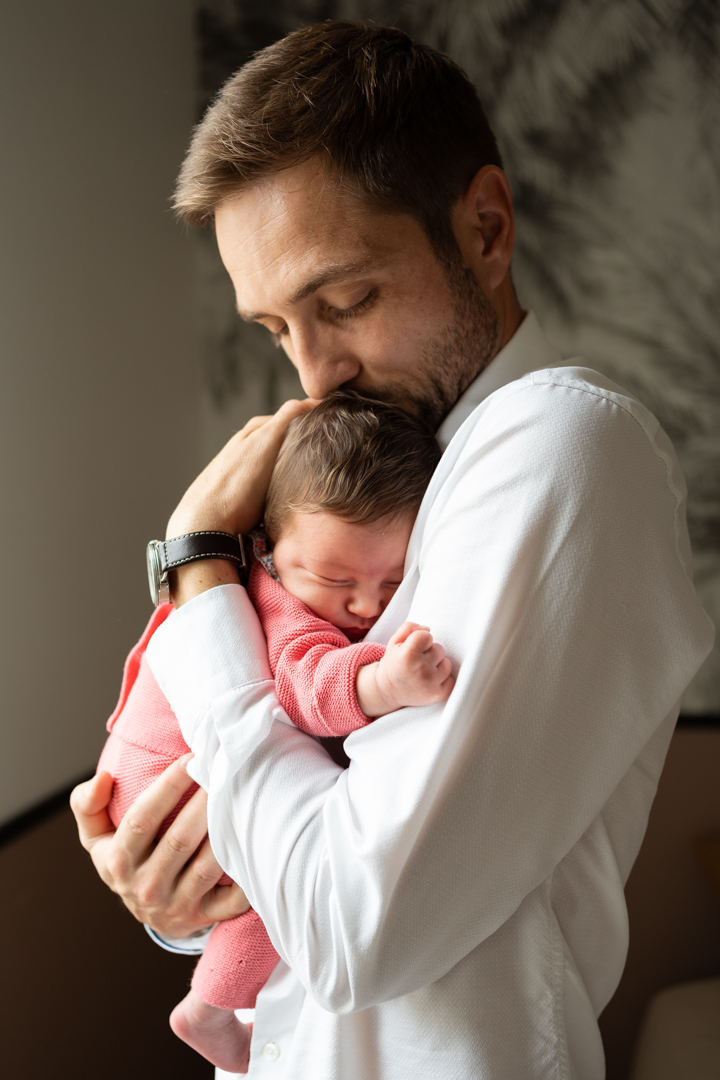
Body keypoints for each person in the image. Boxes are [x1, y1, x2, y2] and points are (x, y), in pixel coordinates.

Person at [71, 21, 714, 1080]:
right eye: (278, 328)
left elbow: (353, 923)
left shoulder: (557, 446)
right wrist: (183, 895)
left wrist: (199, 571)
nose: (316, 372)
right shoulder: (400, 471)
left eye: (347, 300)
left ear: (487, 230)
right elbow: (300, 850)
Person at [97, 394, 450, 1072]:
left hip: (155, 769)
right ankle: (208, 1009)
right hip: (157, 776)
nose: (367, 604)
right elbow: (307, 686)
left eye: (394, 579)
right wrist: (386, 682)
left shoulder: (299, 572)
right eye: (337, 578)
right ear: (264, 547)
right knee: (277, 880)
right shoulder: (279, 605)